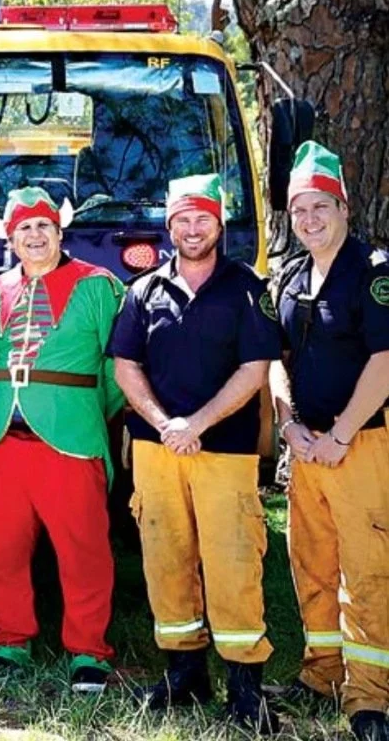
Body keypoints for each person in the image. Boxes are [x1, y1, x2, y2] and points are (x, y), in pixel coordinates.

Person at [108, 173, 282, 733]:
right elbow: (125, 366)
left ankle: (244, 687)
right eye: (181, 219)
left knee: (234, 562)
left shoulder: (247, 287)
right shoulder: (144, 290)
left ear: (219, 224)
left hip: (224, 450)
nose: (191, 229)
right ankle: (184, 674)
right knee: (165, 558)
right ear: (169, 225)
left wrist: (197, 423)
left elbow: (255, 369)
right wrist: (165, 424)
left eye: (202, 218)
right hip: (157, 450)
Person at [0, 188, 124, 693]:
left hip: (71, 440)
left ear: (59, 232)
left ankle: (88, 650)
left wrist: (80, 412)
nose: (34, 236)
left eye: (43, 225)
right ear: (10, 239)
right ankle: (9, 641)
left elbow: (117, 368)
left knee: (84, 551)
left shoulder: (97, 285)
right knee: (2, 549)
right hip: (5, 441)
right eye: (24, 228)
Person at [270, 141, 389, 741]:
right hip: (307, 449)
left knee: (366, 571)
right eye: (299, 210)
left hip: (360, 445)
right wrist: (288, 425)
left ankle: (370, 697)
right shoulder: (290, 276)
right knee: (311, 563)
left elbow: (385, 361)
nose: (309, 219)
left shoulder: (373, 272)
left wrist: (341, 435)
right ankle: (322, 674)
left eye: (321, 206)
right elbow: (274, 359)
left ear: (344, 207)